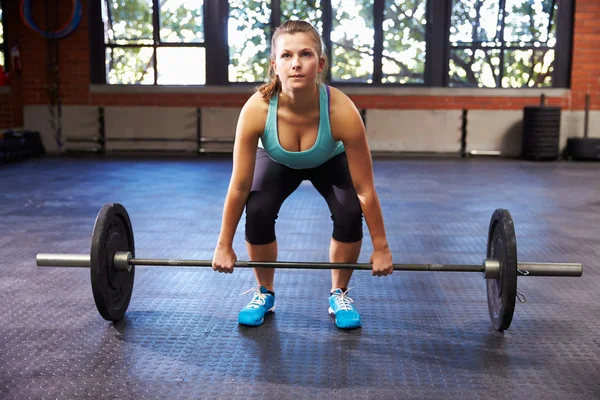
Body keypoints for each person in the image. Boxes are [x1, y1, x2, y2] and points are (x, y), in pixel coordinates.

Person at [212, 20, 393, 330]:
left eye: (305, 54)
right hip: (277, 158)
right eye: (286, 56)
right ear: (274, 64)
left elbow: (365, 189)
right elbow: (239, 186)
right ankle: (264, 292)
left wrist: (382, 247)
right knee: (257, 209)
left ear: (320, 63)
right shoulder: (257, 109)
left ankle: (339, 293)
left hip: (329, 158)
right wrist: (223, 244)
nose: (295, 64)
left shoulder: (342, 111)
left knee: (350, 211)